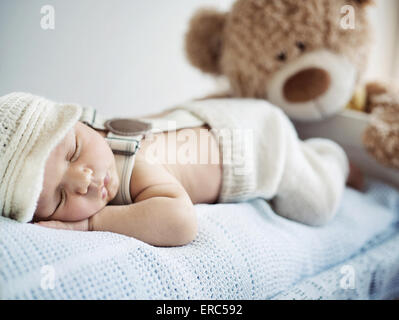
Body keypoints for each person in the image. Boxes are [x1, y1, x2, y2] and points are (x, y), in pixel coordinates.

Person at [0, 92, 358, 247]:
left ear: (80, 121)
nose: (84, 180)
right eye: (61, 197)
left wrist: (90, 223)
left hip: (258, 145)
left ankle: (333, 159)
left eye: (74, 151)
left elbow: (180, 221)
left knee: (315, 205)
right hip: (218, 120)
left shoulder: (129, 163)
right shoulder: (96, 151)